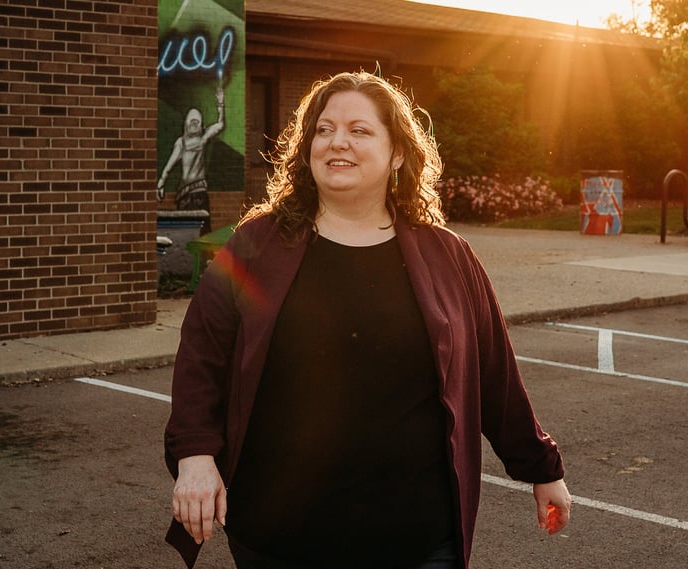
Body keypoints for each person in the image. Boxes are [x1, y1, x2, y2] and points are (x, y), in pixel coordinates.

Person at [164, 70, 572, 569]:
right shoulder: (256, 248)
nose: (339, 142)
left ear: (397, 152)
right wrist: (195, 456)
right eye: (324, 128)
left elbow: (495, 377)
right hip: (280, 537)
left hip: (418, 539)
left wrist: (542, 468)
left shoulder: (447, 257)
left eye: (360, 130)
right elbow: (202, 358)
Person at [157, 86, 225, 235]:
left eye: (196, 122)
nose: (194, 125)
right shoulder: (182, 143)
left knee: (198, 232)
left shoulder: (201, 139)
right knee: (188, 231)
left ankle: (201, 257)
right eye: (192, 122)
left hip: (196, 191)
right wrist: (161, 183)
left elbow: (220, 125)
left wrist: (221, 104)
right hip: (187, 193)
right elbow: (168, 166)